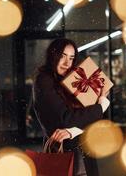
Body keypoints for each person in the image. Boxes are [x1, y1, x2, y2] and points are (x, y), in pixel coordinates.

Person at [32, 38, 110, 176]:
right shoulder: (44, 80)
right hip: (64, 152)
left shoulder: (73, 79)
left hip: (81, 149)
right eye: (63, 56)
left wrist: (74, 130)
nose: (67, 63)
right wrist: (101, 105)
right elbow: (65, 120)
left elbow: (87, 119)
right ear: (53, 55)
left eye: (71, 58)